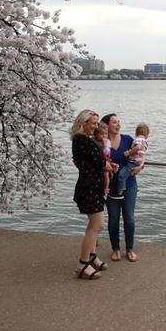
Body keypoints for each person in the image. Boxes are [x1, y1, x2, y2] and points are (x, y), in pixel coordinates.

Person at [70, 109, 112, 280]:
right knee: (96, 225)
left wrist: (106, 165)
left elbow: (96, 162)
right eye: (93, 123)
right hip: (89, 188)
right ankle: (82, 263)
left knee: (95, 225)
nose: (95, 127)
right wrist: (106, 165)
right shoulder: (82, 140)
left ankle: (92, 257)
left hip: (92, 186)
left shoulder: (83, 140)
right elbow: (100, 161)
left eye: (96, 124)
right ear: (83, 123)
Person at [101, 113, 142, 263]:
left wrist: (140, 167)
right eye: (114, 122)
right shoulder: (103, 142)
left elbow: (140, 156)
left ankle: (130, 249)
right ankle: (116, 249)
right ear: (107, 125)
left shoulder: (128, 139)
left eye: (119, 122)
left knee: (129, 219)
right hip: (110, 186)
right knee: (113, 220)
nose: (118, 125)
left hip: (129, 184)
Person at [113, 122, 150, 199]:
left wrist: (129, 153)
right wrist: (141, 165)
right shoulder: (145, 141)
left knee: (121, 175)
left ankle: (121, 190)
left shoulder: (138, 140)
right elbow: (143, 154)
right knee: (128, 174)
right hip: (138, 162)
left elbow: (137, 147)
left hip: (133, 162)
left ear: (136, 132)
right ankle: (133, 189)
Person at [93, 122, 112, 199]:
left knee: (106, 175)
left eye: (106, 134)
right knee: (104, 174)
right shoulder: (94, 142)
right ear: (96, 134)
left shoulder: (107, 142)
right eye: (102, 134)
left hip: (106, 159)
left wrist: (105, 145)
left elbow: (107, 152)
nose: (104, 136)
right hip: (101, 161)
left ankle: (106, 190)